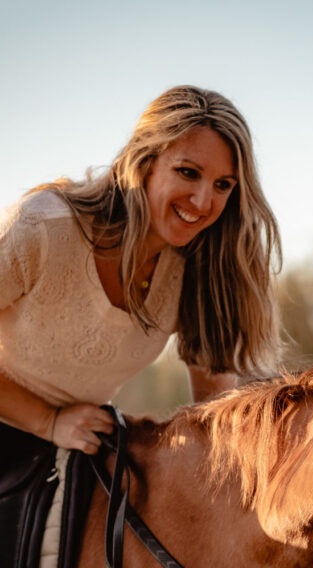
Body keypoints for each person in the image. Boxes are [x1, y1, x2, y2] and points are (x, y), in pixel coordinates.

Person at [0, 84, 283, 456]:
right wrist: (48, 422)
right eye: (187, 172)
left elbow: (212, 407)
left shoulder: (200, 266)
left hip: (77, 443)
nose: (203, 201)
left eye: (222, 185)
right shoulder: (42, 228)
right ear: (144, 162)